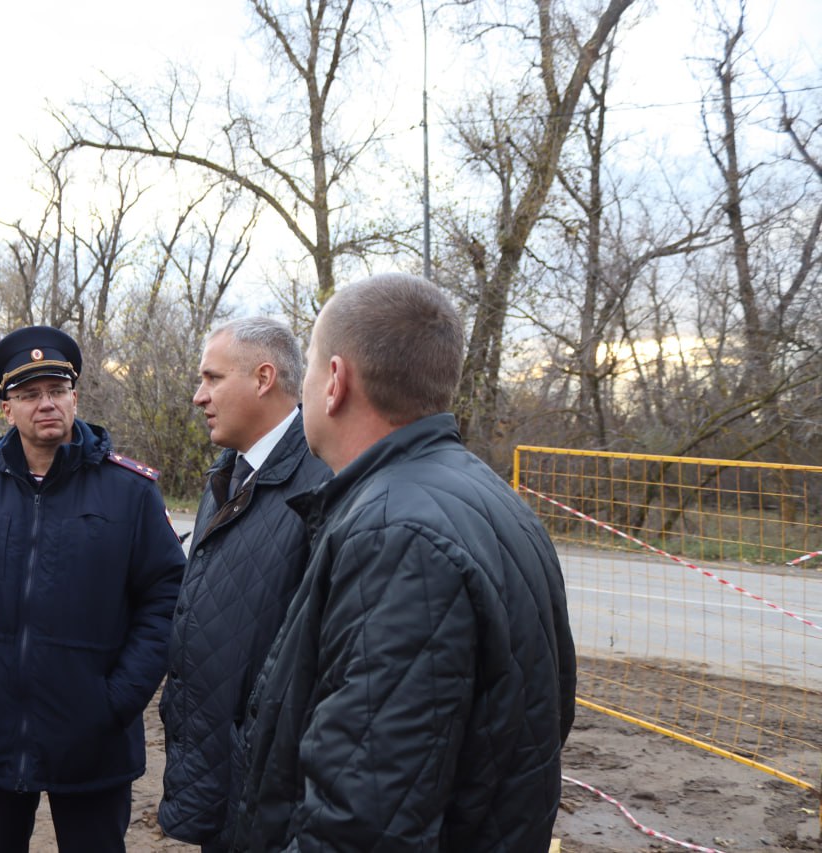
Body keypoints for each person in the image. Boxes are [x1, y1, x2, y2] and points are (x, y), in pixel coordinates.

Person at [232, 274, 578, 851]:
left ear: (336, 382)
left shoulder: (395, 537)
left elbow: (363, 824)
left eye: (312, 366)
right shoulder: (492, 499)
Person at [0, 325, 186, 853]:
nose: (46, 404)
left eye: (57, 390)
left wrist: (115, 701)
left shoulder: (129, 491)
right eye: (29, 395)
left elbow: (166, 600)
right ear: (7, 409)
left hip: (93, 735)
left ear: (75, 397)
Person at [157, 317, 331, 851]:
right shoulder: (227, 474)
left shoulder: (322, 484)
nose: (197, 396)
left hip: (275, 793)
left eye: (212, 379)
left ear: (262, 378)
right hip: (225, 781)